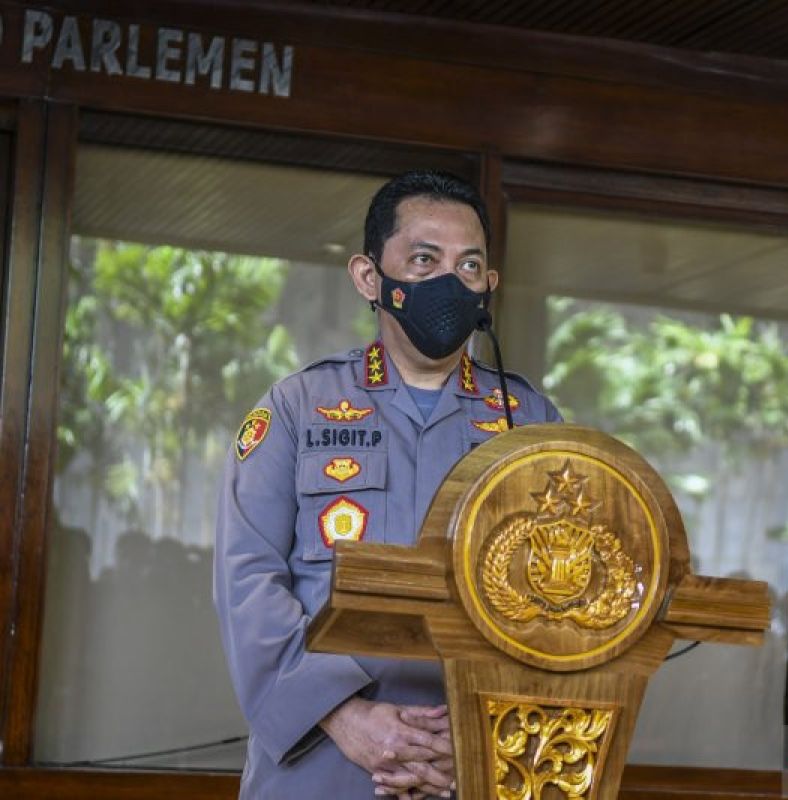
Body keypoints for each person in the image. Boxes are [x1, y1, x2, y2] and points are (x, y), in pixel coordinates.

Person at [214, 171, 561, 799]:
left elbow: (564, 605)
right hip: (319, 759)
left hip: (472, 763)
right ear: (370, 278)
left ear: (489, 284)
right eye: (424, 259)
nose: (450, 282)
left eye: (469, 264)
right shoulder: (298, 407)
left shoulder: (530, 420)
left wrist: (490, 732)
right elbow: (247, 580)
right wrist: (344, 716)